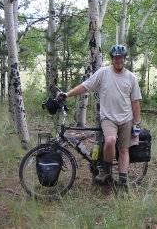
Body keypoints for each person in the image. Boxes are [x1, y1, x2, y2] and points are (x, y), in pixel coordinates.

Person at [56, 44, 142, 189]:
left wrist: (137, 123)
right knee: (110, 140)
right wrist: (67, 94)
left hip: (126, 118)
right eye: (116, 58)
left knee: (123, 150)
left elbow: (135, 102)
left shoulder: (131, 78)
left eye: (121, 58)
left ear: (124, 59)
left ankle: (123, 183)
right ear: (112, 59)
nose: (118, 60)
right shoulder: (103, 73)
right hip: (108, 118)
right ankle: (106, 171)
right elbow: (85, 86)